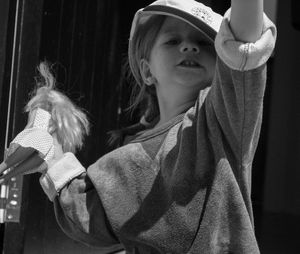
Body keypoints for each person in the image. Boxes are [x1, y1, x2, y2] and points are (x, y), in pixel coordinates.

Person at [36, 0, 276, 253]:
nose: (189, 46)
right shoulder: (129, 152)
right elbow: (88, 216)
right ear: (147, 71)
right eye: (172, 41)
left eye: (205, 43)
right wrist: (52, 154)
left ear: (222, 66)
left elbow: (244, 45)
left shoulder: (223, 119)